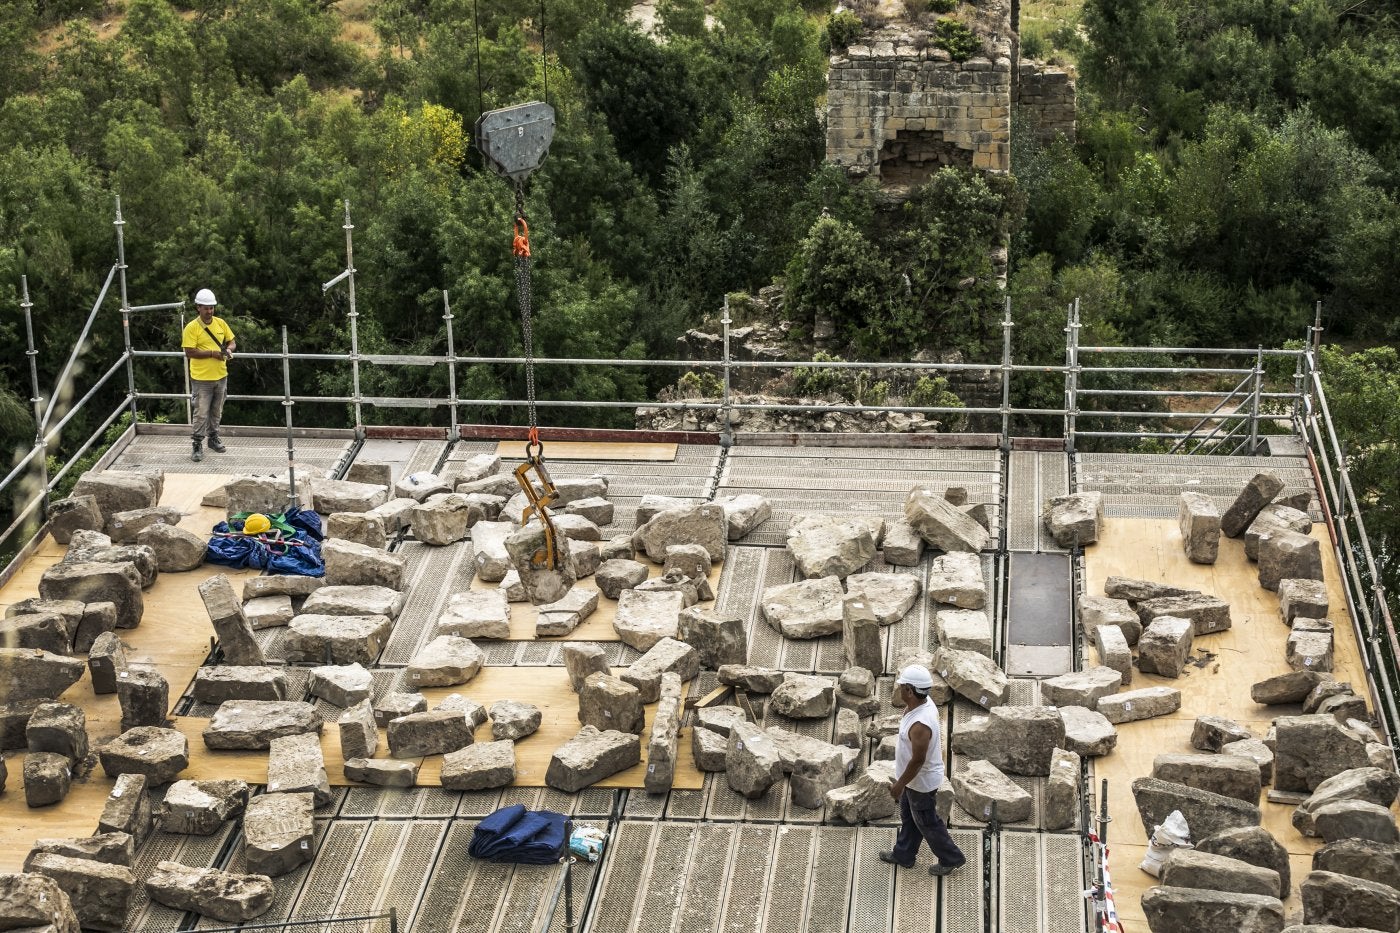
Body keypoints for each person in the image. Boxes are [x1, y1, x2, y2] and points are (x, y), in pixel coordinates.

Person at [880, 664, 966, 876]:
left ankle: (951, 858)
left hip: (921, 782)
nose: (899, 689)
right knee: (910, 817)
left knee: (927, 823)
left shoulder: (920, 725)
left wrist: (899, 785)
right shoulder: (921, 705)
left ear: (910, 691)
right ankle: (904, 854)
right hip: (913, 781)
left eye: (902, 687)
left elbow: (918, 760)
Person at [182, 288, 236, 462]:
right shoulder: (192, 327)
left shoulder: (221, 323)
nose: (209, 311)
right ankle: (197, 444)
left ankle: (213, 438)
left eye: (211, 307)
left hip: (221, 375)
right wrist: (213, 354)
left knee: (216, 411)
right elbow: (189, 352)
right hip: (201, 379)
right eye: (206, 308)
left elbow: (232, 341)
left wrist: (228, 350)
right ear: (198, 307)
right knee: (201, 413)